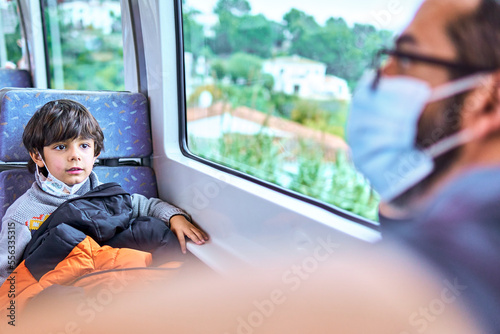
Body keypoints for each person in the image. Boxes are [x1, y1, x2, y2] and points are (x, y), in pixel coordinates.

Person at [347, 0, 500, 332]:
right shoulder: (426, 207)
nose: (378, 76)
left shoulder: (485, 229)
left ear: (490, 98)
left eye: (405, 59)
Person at [0, 99, 209, 285]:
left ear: (96, 153)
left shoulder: (106, 196)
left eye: (83, 145)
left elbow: (146, 206)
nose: (75, 156)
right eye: (61, 147)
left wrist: (175, 217)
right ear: (37, 156)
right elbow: (5, 274)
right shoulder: (20, 216)